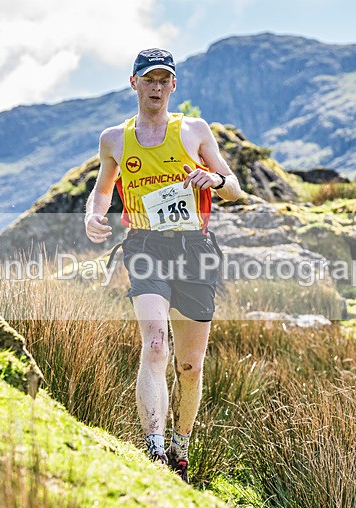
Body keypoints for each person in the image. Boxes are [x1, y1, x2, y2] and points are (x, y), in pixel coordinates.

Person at [84, 48, 242, 483]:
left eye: (164, 80)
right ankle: (153, 451)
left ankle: (180, 446)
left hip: (195, 250)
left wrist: (214, 179)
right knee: (155, 345)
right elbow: (103, 189)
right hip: (145, 247)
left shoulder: (194, 130)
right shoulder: (114, 138)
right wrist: (92, 213)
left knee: (189, 366)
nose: (156, 87)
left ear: (174, 86)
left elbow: (235, 188)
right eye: (148, 79)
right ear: (134, 83)